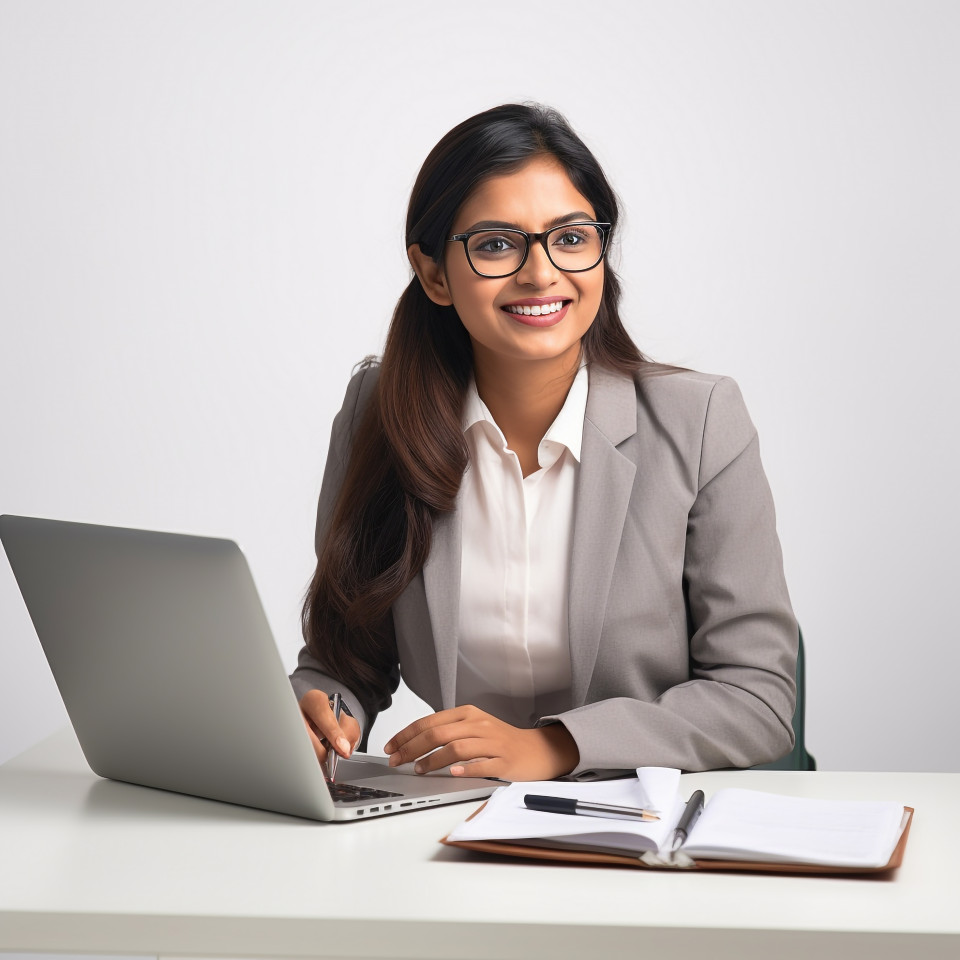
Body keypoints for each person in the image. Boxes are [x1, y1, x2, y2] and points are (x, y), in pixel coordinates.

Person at [290, 103, 798, 782]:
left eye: (571, 237)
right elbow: (346, 659)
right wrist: (318, 714)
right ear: (434, 273)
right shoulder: (378, 414)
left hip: (644, 817)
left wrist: (554, 747)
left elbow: (756, 698)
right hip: (453, 814)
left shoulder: (701, 420)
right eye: (496, 244)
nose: (540, 273)